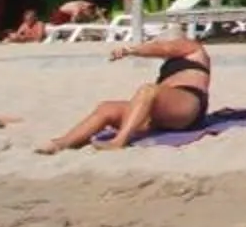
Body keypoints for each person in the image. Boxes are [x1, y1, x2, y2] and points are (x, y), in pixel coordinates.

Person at [36, 35, 213, 153]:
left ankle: (118, 142)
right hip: (161, 114)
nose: (168, 40)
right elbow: (164, 49)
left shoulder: (194, 49)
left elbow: (165, 48)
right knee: (107, 108)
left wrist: (131, 50)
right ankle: (63, 143)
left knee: (148, 90)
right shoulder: (171, 62)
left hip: (187, 105)